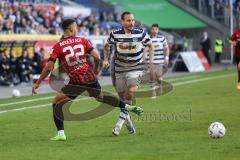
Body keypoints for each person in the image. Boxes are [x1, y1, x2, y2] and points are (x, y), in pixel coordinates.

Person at [32, 18, 143, 141]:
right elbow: (97, 56)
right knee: (100, 97)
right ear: (71, 29)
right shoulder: (82, 40)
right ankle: (127, 107)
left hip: (76, 80)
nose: (77, 29)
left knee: (56, 103)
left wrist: (37, 83)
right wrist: (94, 70)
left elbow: (49, 67)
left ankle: (61, 133)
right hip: (89, 77)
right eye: (76, 27)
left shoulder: (58, 46)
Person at [103, 11, 154, 136]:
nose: (132, 23)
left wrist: (150, 62)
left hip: (136, 68)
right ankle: (129, 122)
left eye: (132, 20)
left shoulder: (140, 33)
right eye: (128, 20)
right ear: (122, 22)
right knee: (122, 99)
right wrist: (105, 59)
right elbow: (106, 46)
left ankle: (118, 125)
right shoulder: (115, 35)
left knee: (130, 93)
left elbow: (150, 46)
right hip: (119, 69)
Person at [145, 24, 170, 98]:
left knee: (158, 76)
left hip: (159, 60)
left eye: (156, 29)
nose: (154, 31)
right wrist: (144, 58)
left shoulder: (162, 38)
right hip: (151, 61)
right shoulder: (147, 38)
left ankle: (160, 85)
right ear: (151, 30)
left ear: (158, 30)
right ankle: (153, 93)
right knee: (152, 76)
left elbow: (166, 49)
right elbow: (145, 49)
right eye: (153, 29)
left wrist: (167, 58)